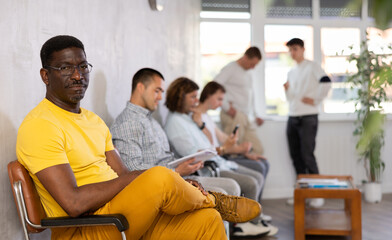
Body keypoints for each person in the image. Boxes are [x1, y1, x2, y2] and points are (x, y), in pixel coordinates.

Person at [16, 35, 262, 240]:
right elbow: (73, 203)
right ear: (45, 75)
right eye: (65, 68)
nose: (78, 75)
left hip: (122, 215)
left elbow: (123, 176)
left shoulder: (93, 121)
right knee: (158, 175)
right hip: (87, 228)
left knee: (207, 221)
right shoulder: (40, 125)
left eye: (82, 66)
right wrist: (146, 177)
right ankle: (211, 200)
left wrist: (157, 181)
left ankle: (209, 204)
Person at [164, 77, 278, 237]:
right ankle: (246, 224)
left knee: (256, 174)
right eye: (193, 97)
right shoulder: (176, 122)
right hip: (207, 166)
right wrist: (222, 149)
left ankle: (252, 220)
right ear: (180, 96)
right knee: (251, 181)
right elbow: (195, 152)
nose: (197, 101)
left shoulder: (189, 119)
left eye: (197, 96)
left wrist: (206, 132)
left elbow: (208, 144)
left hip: (215, 161)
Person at [110, 68, 241, 196]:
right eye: (157, 91)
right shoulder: (128, 122)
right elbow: (131, 170)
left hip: (173, 176)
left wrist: (184, 166)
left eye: (161, 92)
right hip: (160, 184)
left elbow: (164, 158)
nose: (160, 97)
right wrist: (176, 170)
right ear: (140, 88)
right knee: (226, 191)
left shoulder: (150, 120)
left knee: (232, 186)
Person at [196, 81, 271, 202]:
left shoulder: (207, 117)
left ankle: (257, 210)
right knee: (259, 170)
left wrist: (246, 153)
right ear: (208, 95)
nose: (221, 104)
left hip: (221, 156)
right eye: (219, 99)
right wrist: (239, 150)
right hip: (217, 160)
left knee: (263, 164)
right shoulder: (197, 117)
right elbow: (211, 146)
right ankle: (255, 213)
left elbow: (223, 138)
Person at [284, 38, 331, 207]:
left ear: (303, 49)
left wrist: (317, 99)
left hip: (308, 117)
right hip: (292, 116)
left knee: (307, 155)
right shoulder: (291, 72)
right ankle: (302, 194)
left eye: (295, 49)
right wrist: (287, 90)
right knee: (296, 157)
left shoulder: (312, 66)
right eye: (290, 50)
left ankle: (317, 195)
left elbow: (326, 82)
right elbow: (291, 98)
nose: (292, 52)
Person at [214, 46, 265, 156]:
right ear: (245, 57)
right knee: (231, 150)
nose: (253, 67)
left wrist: (256, 114)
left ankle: (248, 170)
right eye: (252, 64)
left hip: (246, 117)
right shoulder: (231, 68)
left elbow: (251, 95)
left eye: (255, 65)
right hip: (234, 115)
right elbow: (215, 86)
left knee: (257, 149)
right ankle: (232, 171)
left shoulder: (249, 73)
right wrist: (226, 107)